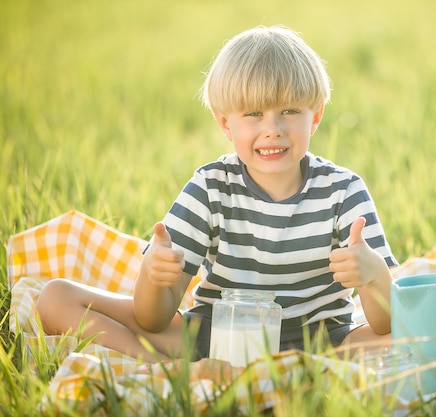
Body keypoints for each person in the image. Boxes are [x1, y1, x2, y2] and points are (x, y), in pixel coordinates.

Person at [36, 25, 398, 364]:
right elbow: (153, 319)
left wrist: (373, 276)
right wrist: (152, 276)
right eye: (253, 114)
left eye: (289, 111)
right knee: (56, 298)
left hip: (322, 346)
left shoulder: (343, 190)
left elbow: (383, 323)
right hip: (214, 341)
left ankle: (282, 371)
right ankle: (169, 370)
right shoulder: (210, 187)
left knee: (426, 330)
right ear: (226, 123)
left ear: (315, 117)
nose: (272, 129)